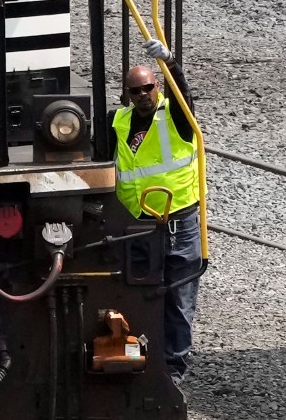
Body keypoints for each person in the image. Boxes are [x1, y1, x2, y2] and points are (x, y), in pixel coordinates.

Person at [111, 50, 204, 386]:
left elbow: (184, 98)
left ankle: (173, 371)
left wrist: (172, 64)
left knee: (178, 299)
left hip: (178, 222)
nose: (142, 96)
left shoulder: (175, 117)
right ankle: (143, 360)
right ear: (127, 94)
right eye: (134, 91)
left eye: (147, 88)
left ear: (157, 88)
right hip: (138, 224)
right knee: (141, 296)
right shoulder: (120, 121)